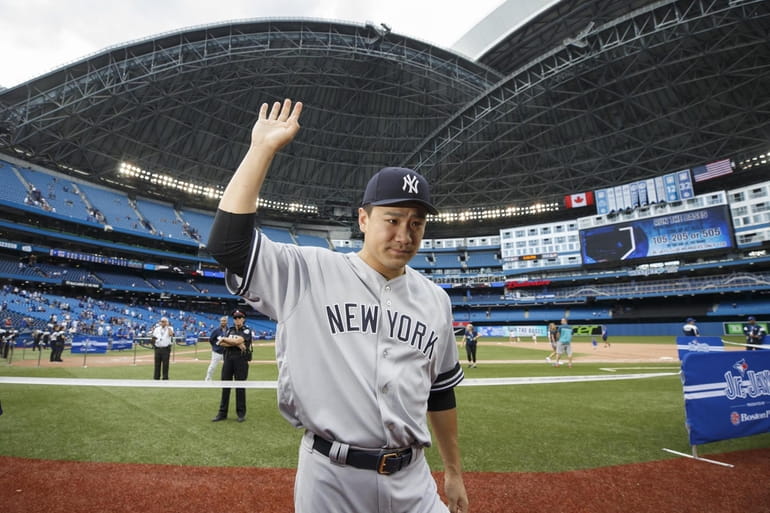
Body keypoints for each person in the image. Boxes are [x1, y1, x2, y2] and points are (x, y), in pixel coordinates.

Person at [206, 99, 468, 513]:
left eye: (416, 224)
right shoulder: (309, 271)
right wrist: (261, 149)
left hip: (413, 480)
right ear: (363, 219)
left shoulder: (436, 300)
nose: (405, 234)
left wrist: (452, 470)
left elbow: (439, 394)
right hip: (331, 477)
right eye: (393, 219)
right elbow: (229, 246)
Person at [211, 310, 253, 422]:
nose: (237, 319)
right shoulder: (230, 330)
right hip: (228, 359)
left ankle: (241, 414)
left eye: (240, 317)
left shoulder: (247, 330)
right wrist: (232, 342)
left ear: (243, 319)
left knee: (240, 387)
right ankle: (222, 413)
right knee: (225, 386)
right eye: (235, 318)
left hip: (241, 360)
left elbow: (239, 340)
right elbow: (222, 343)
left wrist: (226, 339)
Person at [205, 316, 228, 381]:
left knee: (227, 367)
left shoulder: (229, 330)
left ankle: (225, 379)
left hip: (226, 352)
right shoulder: (216, 330)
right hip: (217, 352)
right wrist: (216, 346)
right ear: (220, 322)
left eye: (224, 321)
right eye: (222, 321)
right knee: (212, 366)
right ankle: (208, 379)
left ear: (227, 322)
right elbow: (211, 340)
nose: (223, 322)